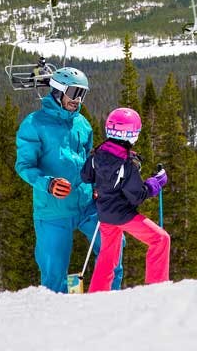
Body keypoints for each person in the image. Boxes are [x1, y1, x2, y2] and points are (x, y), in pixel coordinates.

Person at [15, 67, 123, 292]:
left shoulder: (81, 124)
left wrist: (97, 186)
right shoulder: (34, 124)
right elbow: (24, 166)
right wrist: (48, 183)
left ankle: (109, 301)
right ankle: (58, 320)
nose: (78, 99)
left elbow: (89, 159)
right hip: (53, 211)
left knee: (114, 244)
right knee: (54, 273)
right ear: (58, 90)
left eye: (82, 93)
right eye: (74, 92)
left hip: (86, 205)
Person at [81, 107, 170, 292]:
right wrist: (157, 182)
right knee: (160, 239)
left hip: (104, 214)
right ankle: (157, 289)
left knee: (108, 257)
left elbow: (86, 176)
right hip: (123, 214)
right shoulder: (127, 163)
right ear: (131, 134)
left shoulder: (96, 154)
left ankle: (96, 295)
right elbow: (137, 195)